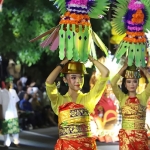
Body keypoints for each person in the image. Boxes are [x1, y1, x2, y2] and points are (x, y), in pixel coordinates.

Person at [45, 55, 109, 150]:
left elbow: (105, 73)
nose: (78, 81)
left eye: (81, 77)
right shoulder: (59, 101)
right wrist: (65, 61)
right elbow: (49, 82)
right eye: (73, 77)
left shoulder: (88, 99)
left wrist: (91, 58)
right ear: (65, 79)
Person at [110, 61, 150, 150]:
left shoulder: (143, 97)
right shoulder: (122, 98)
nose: (131, 84)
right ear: (125, 84)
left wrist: (144, 71)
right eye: (129, 81)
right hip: (126, 138)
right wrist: (124, 67)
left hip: (140, 138)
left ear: (138, 84)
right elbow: (113, 83)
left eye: (134, 81)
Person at [0, 77, 20, 149]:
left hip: (14, 114)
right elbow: (0, 105)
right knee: (6, 130)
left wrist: (17, 111)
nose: (11, 84)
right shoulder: (1, 93)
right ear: (6, 83)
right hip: (5, 114)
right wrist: (0, 114)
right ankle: (7, 143)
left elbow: (16, 103)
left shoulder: (13, 91)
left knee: (15, 130)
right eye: (10, 83)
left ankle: (16, 142)